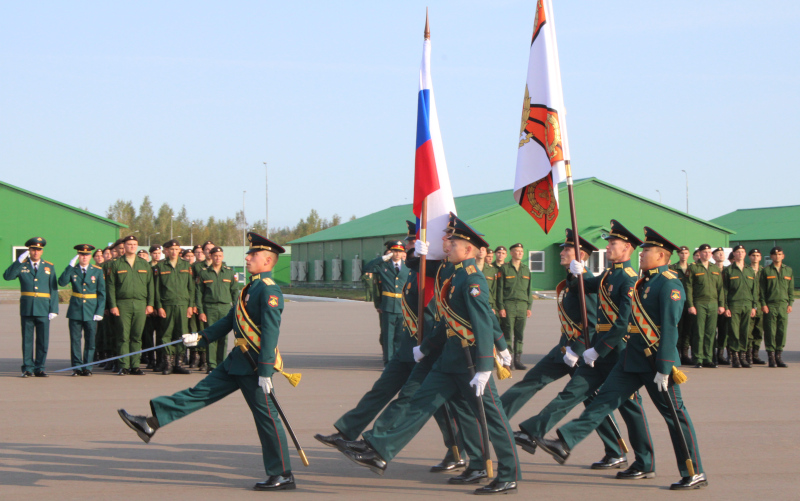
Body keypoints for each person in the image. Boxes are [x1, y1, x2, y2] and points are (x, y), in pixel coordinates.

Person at [341, 215, 521, 495]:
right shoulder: (452, 274)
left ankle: (509, 474)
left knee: (492, 416)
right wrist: (424, 349)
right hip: (449, 358)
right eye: (448, 240)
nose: (447, 245)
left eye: (453, 241)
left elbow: (483, 320)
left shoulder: (473, 280)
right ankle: (380, 450)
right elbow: (446, 321)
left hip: (471, 360)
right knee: (420, 403)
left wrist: (489, 362)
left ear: (469, 249)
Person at [117, 232, 297, 491]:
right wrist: (200, 337)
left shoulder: (269, 290)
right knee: (198, 393)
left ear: (268, 261)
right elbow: (229, 319)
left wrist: (267, 370)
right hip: (238, 360)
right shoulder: (251, 287)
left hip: (255, 365)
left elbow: (270, 331)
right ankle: (150, 423)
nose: (247, 257)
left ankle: (282, 474)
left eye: (253, 255)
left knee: (267, 419)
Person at [534, 226, 707, 491]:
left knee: (674, 416)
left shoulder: (670, 284)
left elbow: (671, 329)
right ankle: (566, 441)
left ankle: (693, 471)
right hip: (632, 359)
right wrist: (575, 273)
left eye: (647, 250)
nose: (642, 253)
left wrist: (665, 367)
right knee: (603, 401)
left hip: (655, 362)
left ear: (661, 256)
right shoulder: (643, 281)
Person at [501, 226, 642, 473]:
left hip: (584, 350)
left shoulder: (596, 280)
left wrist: (579, 349)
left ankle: (616, 450)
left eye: (567, 249)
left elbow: (594, 321)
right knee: (535, 382)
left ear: (581, 254)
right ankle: (498, 417)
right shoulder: (575, 279)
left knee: (594, 400)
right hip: (565, 348)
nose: (562, 252)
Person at [3, 237, 58, 377]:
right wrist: (18, 261)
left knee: (42, 340)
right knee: (27, 340)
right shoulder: (22, 265)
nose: (36, 252)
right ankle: (28, 367)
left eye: (39, 250)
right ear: (29, 250)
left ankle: (40, 367)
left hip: (44, 308)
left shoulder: (49, 266)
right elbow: (7, 277)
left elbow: (53, 289)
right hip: (27, 308)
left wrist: (54, 309)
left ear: (42, 251)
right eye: (33, 249)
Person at [106, 235, 154, 375]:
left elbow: (150, 285)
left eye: (134, 244)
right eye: (129, 244)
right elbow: (111, 287)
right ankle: (123, 365)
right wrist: (113, 305)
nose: (132, 246)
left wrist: (150, 304)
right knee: (123, 336)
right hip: (123, 304)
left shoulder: (144, 264)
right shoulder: (116, 264)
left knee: (137, 336)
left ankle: (135, 365)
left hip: (140, 303)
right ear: (124, 246)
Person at [58, 244, 106, 376]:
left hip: (91, 311)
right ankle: (77, 367)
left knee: (90, 341)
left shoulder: (96, 271)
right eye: (81, 254)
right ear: (78, 256)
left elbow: (102, 293)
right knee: (75, 341)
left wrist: (99, 311)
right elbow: (61, 282)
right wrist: (69, 266)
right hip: (75, 310)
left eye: (87, 255)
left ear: (90, 256)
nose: (84, 257)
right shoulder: (73, 270)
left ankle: (87, 367)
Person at [153, 239, 195, 375]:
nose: (174, 252)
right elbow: (156, 289)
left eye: (176, 249)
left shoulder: (186, 265)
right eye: (171, 249)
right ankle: (168, 363)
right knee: (166, 334)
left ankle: (179, 363)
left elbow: (191, 287)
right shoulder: (161, 266)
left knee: (182, 333)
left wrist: (190, 305)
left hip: (183, 304)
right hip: (167, 304)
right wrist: (159, 306)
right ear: (166, 251)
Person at [365, 240, 410, 365]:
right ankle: (388, 362)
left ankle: (397, 362)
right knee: (388, 336)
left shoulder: (408, 267)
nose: (397, 254)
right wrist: (383, 258)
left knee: (399, 336)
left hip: (402, 306)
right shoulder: (384, 266)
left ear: (403, 253)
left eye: (400, 251)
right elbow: (367, 267)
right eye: (395, 251)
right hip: (388, 305)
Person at [196, 246, 238, 373]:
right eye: (215, 256)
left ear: (223, 257)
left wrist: (236, 308)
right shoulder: (204, 273)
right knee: (211, 336)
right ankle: (211, 364)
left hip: (225, 307)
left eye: (220, 256)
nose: (217, 258)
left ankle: (221, 364)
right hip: (210, 308)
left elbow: (234, 291)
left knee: (223, 337)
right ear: (210, 256)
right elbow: (199, 294)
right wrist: (201, 311)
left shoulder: (229, 272)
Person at [685, 244, 724, 368]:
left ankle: (708, 358)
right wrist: (690, 305)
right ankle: (698, 358)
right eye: (704, 252)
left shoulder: (715, 268)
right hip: (699, 302)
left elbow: (720, 288)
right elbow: (688, 287)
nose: (707, 254)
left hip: (713, 303)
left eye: (709, 252)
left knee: (711, 332)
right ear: (700, 253)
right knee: (699, 332)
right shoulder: (693, 268)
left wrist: (721, 305)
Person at [496, 243, 532, 369]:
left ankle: (518, 360)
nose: (519, 253)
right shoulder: (504, 269)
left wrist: (529, 307)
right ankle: (508, 360)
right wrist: (501, 307)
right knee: (508, 333)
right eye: (516, 251)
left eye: (521, 251)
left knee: (519, 334)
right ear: (511, 253)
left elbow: (529, 290)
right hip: (509, 304)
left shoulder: (526, 269)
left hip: (522, 305)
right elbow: (499, 289)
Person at [722, 245, 757, 368]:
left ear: (745, 254)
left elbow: (754, 290)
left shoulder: (750, 270)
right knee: (734, 331)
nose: (740, 254)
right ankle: (735, 356)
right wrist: (726, 306)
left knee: (745, 331)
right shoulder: (729, 270)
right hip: (734, 304)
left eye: (742, 252)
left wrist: (754, 307)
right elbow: (724, 290)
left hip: (748, 304)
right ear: (734, 254)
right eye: (738, 252)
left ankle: (743, 356)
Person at [760, 247, 794, 367]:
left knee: (781, 331)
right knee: (770, 331)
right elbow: (762, 290)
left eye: (779, 254)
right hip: (770, 305)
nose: (777, 256)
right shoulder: (766, 271)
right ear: (771, 257)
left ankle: (779, 356)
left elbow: (791, 289)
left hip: (783, 305)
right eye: (775, 254)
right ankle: (771, 357)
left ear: (783, 256)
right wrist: (763, 304)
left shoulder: (788, 270)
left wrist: (790, 303)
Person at [669, 246, 693, 364]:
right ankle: (677, 353)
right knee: (678, 328)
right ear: (678, 254)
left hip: (690, 302)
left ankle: (685, 353)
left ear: (689, 254)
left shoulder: (692, 268)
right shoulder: (673, 268)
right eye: (682, 253)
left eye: (686, 253)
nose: (684, 255)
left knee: (688, 329)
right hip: (677, 301)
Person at [143, 244, 163, 371]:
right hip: (148, 306)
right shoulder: (146, 267)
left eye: (159, 253)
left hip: (160, 306)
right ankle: (150, 359)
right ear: (150, 254)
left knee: (161, 335)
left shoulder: (163, 267)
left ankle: (161, 360)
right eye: (154, 253)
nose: (157, 255)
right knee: (147, 335)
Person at [747, 249, 766, 364]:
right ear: (749, 257)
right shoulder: (746, 270)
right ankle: (748, 355)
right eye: (753, 255)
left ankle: (755, 355)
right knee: (749, 331)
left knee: (759, 331)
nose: (755, 257)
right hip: (749, 303)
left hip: (760, 303)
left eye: (758, 255)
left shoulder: (764, 271)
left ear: (760, 257)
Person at [712, 247, 730, 365]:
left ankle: (721, 354)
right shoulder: (711, 269)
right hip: (713, 304)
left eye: (722, 254)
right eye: (718, 254)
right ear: (713, 257)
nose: (721, 256)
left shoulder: (728, 270)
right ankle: (712, 354)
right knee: (712, 331)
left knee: (724, 331)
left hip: (726, 305)